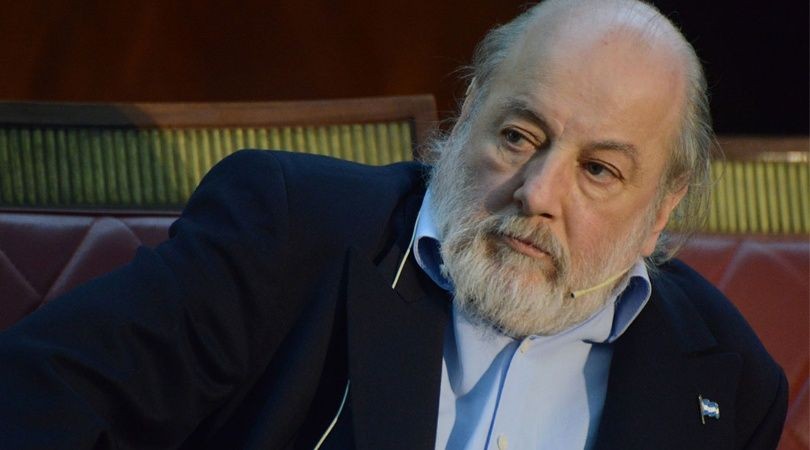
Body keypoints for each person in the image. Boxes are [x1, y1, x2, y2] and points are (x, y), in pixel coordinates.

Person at [0, 0, 787, 449]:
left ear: (661, 211)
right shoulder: (290, 230)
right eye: (519, 135)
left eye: (599, 170)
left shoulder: (727, 376)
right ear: (470, 110)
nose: (537, 193)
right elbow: (36, 396)